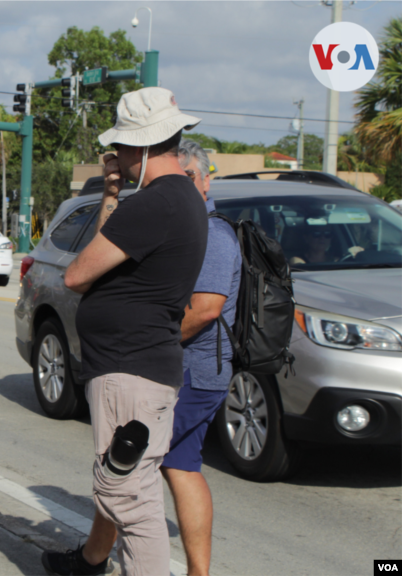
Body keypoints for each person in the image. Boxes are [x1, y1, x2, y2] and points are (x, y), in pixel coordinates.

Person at [42, 87, 209, 576]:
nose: (117, 157)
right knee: (134, 490)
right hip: (143, 367)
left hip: (128, 371)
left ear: (139, 146)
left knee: (128, 500)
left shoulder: (158, 203)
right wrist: (113, 193)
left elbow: (77, 274)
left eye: (121, 149)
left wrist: (117, 196)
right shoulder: (181, 198)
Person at [159, 140, 241, 576]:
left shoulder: (211, 234)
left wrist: (155, 344)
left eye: (190, 177)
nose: (184, 186)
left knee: (129, 462)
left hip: (193, 370)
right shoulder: (188, 228)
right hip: (192, 370)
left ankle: (95, 557)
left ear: (206, 180)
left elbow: (206, 308)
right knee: (181, 465)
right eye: (177, 178)